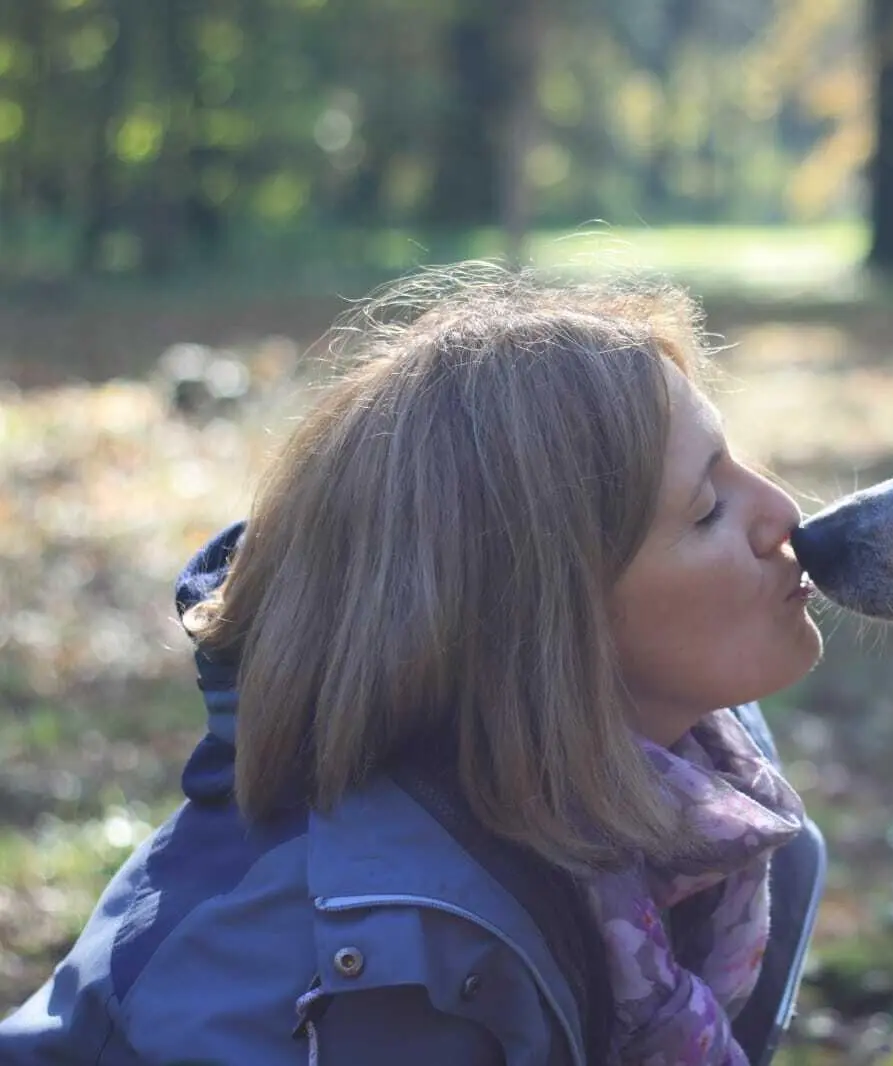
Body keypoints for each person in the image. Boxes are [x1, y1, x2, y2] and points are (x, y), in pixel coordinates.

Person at [0, 263, 829, 1066]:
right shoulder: (334, 977)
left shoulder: (713, 801)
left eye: (736, 463)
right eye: (708, 510)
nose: (786, 514)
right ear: (543, 618)